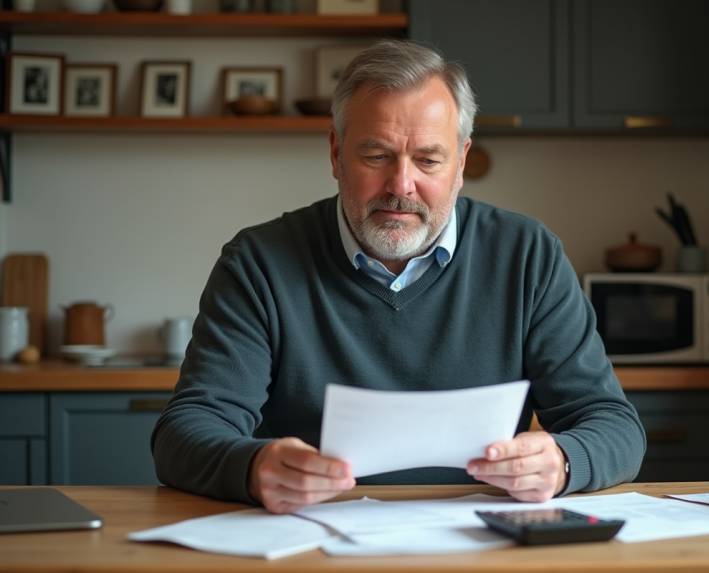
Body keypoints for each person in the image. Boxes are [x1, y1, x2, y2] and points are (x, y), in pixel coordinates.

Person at [151, 39, 645, 515]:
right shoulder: (258, 263)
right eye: (376, 156)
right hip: (312, 539)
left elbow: (614, 426)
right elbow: (185, 432)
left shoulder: (528, 255)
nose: (401, 185)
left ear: (461, 162)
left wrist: (563, 462)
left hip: (484, 541)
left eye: (428, 160)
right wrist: (253, 467)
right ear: (336, 153)